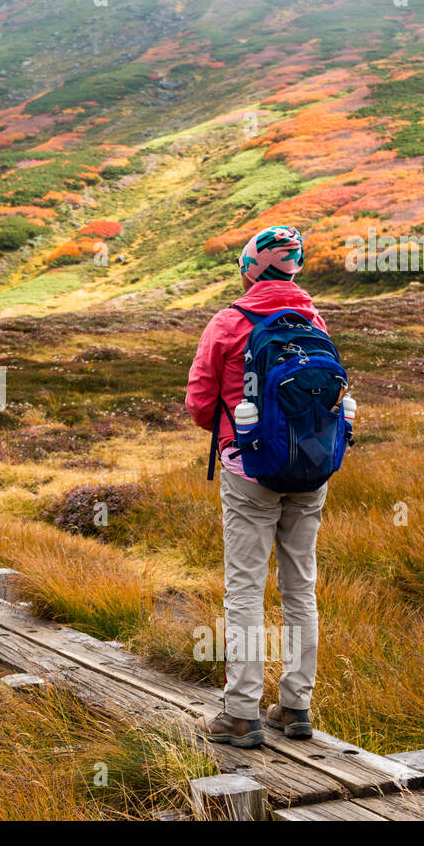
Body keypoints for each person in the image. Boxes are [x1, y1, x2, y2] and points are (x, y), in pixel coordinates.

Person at [184, 226, 328, 748]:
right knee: (300, 587)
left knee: (245, 588)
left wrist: (235, 435)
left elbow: (200, 403)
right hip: (311, 472)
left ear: (251, 267)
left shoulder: (229, 321)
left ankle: (240, 714)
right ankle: (295, 708)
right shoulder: (313, 318)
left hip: (248, 472)